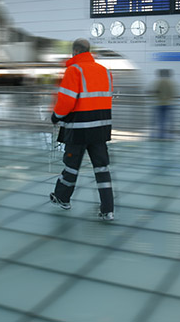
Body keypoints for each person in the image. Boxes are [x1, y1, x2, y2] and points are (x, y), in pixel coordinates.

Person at [49, 38, 115, 221]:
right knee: (102, 168)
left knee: (71, 166)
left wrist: (56, 116)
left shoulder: (74, 70)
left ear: (75, 52)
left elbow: (67, 101)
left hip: (79, 129)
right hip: (101, 128)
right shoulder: (105, 71)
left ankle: (62, 198)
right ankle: (107, 209)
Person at [150, 69, 178, 139]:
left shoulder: (158, 82)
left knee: (160, 120)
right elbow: (175, 93)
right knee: (170, 119)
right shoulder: (172, 82)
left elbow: (154, 91)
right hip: (169, 103)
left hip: (159, 103)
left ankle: (161, 135)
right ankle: (171, 134)